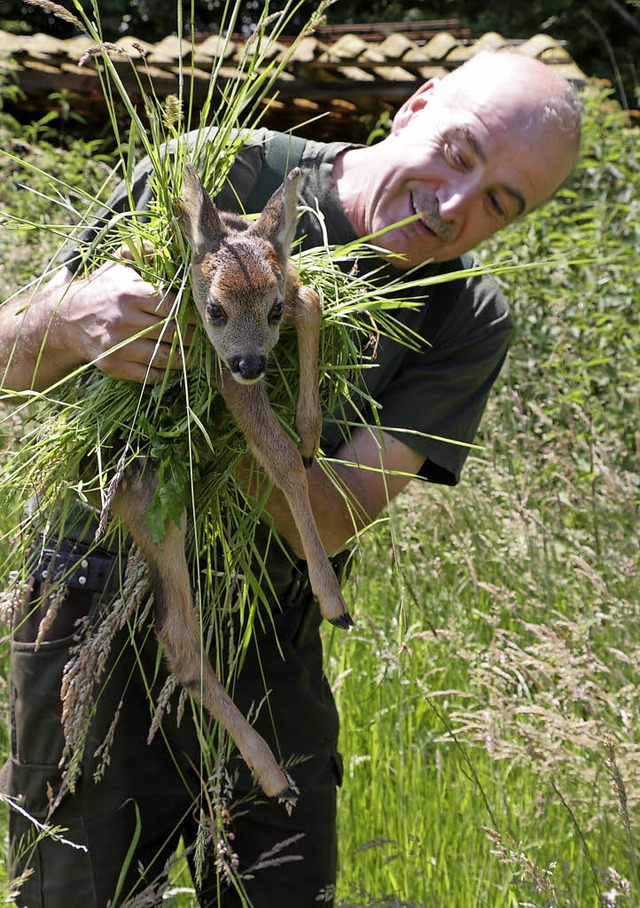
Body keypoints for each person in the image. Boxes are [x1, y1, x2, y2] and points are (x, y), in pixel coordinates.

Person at [0, 50, 581, 907]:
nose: (455, 203)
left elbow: (324, 516)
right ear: (415, 106)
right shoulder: (224, 165)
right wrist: (69, 316)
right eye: (460, 153)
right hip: (95, 602)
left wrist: (227, 380)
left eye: (501, 200)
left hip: (271, 634)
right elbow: (10, 357)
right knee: (81, 892)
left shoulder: (468, 313)